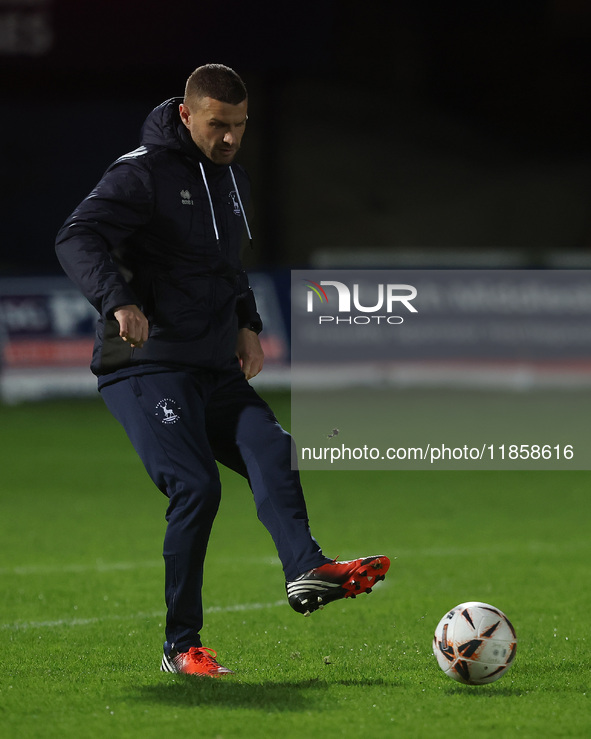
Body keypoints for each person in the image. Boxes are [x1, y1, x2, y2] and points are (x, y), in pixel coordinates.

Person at [55, 64, 390, 677]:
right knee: (197, 487)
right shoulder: (141, 172)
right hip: (146, 366)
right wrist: (118, 301)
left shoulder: (230, 178)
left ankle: (305, 569)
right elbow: (76, 237)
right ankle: (181, 646)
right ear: (187, 115)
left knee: (275, 450)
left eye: (239, 126)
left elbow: (226, 263)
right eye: (218, 125)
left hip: (212, 364)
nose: (231, 138)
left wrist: (248, 323)